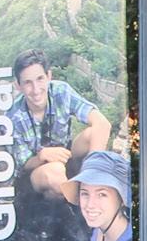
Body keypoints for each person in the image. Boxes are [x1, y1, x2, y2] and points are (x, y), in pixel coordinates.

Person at [9, 50, 111, 205]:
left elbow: (102, 123)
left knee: (93, 134)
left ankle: (91, 184)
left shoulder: (61, 91)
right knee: (55, 172)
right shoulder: (13, 116)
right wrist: (42, 156)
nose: (36, 89)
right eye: (28, 83)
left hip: (65, 157)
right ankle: (81, 205)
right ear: (18, 86)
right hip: (35, 174)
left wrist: (93, 171)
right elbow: (22, 167)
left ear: (49, 76)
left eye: (40, 79)